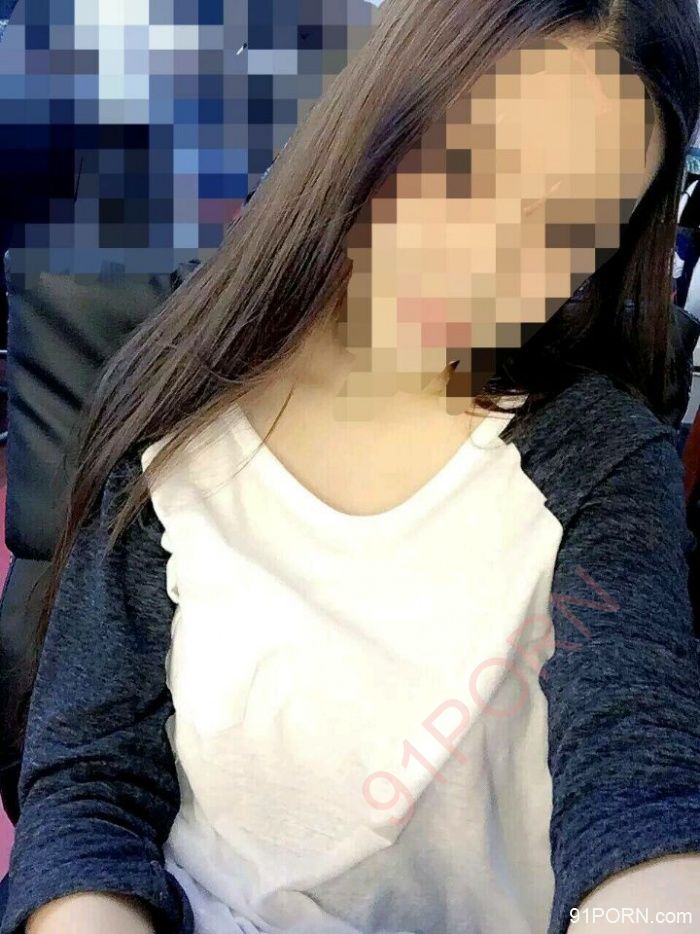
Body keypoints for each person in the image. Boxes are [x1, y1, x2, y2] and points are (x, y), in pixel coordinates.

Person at [3, 1, 700, 933]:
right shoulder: (172, 430)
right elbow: (90, 787)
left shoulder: (599, 464)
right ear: (373, 119)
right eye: (463, 167)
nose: (487, 263)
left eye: (566, 229)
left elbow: (640, 781)